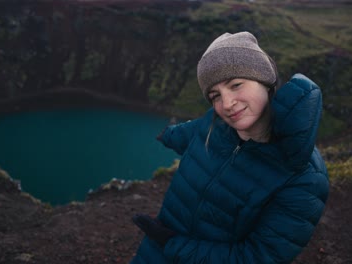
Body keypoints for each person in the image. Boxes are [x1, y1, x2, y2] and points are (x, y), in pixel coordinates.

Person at [130, 31, 329, 263]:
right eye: (215, 95)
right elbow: (192, 131)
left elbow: (256, 258)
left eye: (235, 84)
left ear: (266, 81)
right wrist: (168, 135)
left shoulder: (305, 178)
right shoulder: (215, 127)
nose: (226, 104)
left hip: (168, 247)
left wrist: (172, 244)